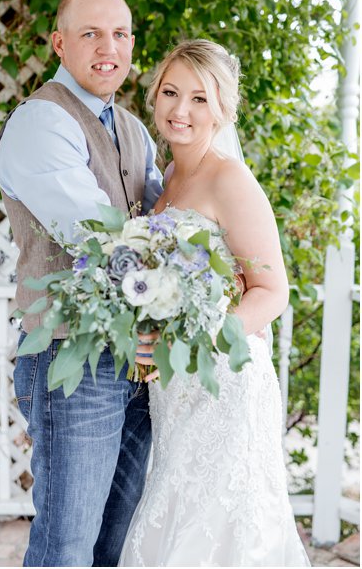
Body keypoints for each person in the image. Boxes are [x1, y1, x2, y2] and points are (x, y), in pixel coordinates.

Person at [119, 39, 310, 566]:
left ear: (223, 108)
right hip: (175, 391)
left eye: (200, 99)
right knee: (175, 513)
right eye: (171, 93)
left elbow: (272, 292)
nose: (181, 110)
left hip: (224, 381)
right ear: (154, 96)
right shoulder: (167, 178)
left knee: (221, 528)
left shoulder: (230, 179)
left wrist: (198, 338)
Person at [0, 0, 164, 567]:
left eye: (119, 34)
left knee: (112, 546)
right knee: (66, 547)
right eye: (90, 33)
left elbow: (171, 223)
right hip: (75, 359)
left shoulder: (137, 131)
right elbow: (103, 239)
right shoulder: (41, 121)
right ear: (59, 43)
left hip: (140, 362)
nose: (106, 48)